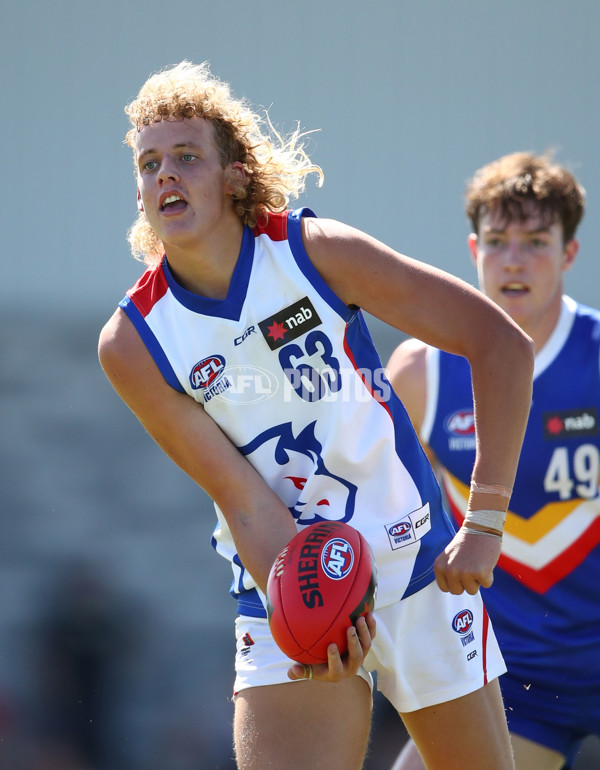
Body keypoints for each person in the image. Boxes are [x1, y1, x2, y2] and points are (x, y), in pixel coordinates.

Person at [98, 61, 534, 770]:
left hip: (419, 571)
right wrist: (311, 622)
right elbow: (242, 496)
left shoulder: (312, 252)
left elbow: (501, 346)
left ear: (234, 174)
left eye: (186, 157)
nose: (165, 176)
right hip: (286, 581)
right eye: (149, 165)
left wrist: (485, 521)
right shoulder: (133, 341)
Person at [387, 151, 600, 770]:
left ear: (569, 254)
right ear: (474, 250)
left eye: (536, 241)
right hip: (514, 683)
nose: (514, 260)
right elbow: (379, 508)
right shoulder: (422, 372)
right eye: (498, 241)